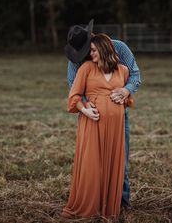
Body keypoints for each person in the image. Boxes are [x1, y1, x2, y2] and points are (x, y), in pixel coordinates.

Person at [65, 19, 141, 209]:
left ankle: (121, 201)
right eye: (84, 53)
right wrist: (86, 107)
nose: (88, 56)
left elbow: (134, 74)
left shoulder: (120, 48)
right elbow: (73, 87)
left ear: (93, 38)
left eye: (89, 50)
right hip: (92, 117)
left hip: (118, 118)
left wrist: (126, 90)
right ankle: (95, 200)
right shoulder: (78, 62)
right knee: (92, 161)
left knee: (119, 160)